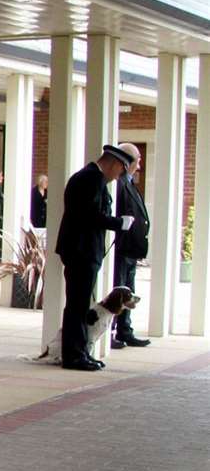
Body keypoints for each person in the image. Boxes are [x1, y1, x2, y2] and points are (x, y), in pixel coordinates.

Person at [54, 145, 136, 370]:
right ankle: (73, 356)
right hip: (81, 250)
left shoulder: (90, 178)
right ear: (115, 164)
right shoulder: (90, 179)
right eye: (120, 171)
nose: (118, 176)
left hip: (83, 250)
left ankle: (80, 351)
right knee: (77, 306)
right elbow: (89, 216)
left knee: (80, 305)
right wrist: (118, 223)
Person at [111, 143, 151, 349]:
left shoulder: (129, 182)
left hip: (131, 250)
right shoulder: (118, 184)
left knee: (129, 290)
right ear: (127, 162)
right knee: (119, 289)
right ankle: (112, 331)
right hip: (121, 248)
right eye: (138, 159)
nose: (140, 164)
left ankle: (125, 330)